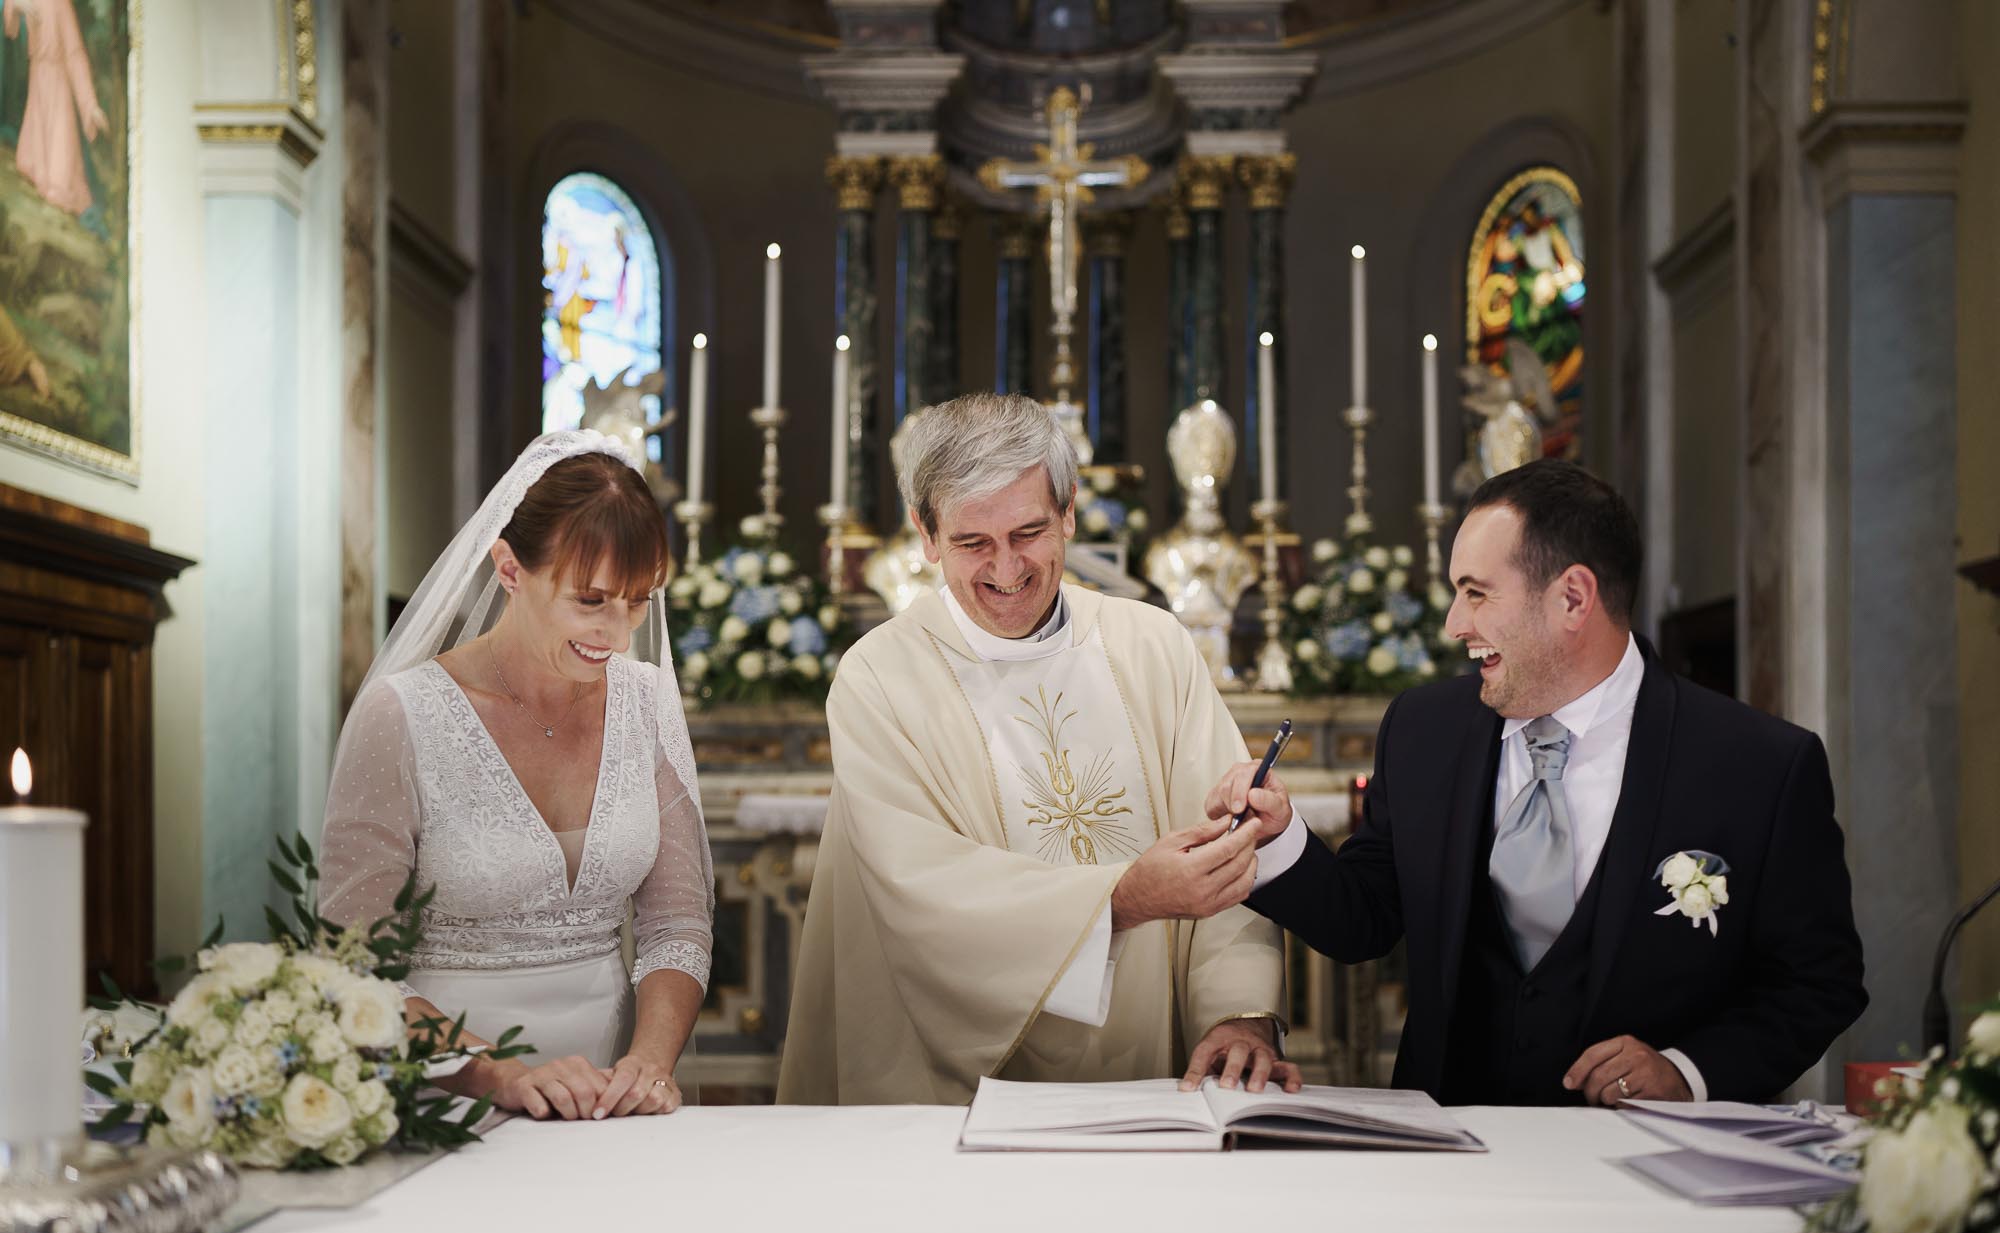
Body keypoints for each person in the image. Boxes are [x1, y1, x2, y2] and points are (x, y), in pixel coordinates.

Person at [1189, 459, 1866, 1106]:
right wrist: (1279, 838)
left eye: (1476, 593)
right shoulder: (1424, 732)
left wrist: (1687, 1072)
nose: (1455, 625)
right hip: (1450, 1147)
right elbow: (1363, 919)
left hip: (1645, 1157)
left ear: (1573, 597)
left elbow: (1819, 982)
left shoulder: (1758, 766)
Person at [778, 393, 1295, 1107]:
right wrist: (1121, 900)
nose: (1007, 568)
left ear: (1068, 512)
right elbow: (923, 897)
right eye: (972, 543)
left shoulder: (1153, 647)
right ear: (926, 534)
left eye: (1029, 532)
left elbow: (1227, 847)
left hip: (1156, 1090)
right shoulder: (879, 679)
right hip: (952, 1101)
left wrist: (1238, 1012)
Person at [320, 430, 714, 1121]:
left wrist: (649, 1063)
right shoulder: (402, 716)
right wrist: (499, 1076)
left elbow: (677, 922)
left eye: (637, 601)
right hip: (447, 1100)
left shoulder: (647, 700)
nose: (619, 634)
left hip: (610, 1104)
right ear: (508, 569)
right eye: (590, 600)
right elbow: (352, 966)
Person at [3, 0, 109, 218]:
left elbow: (74, 54)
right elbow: (10, 27)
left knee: (59, 175)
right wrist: (17, 6)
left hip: (58, 87)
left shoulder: (62, 5)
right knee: (31, 163)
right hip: (38, 83)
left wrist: (90, 105)